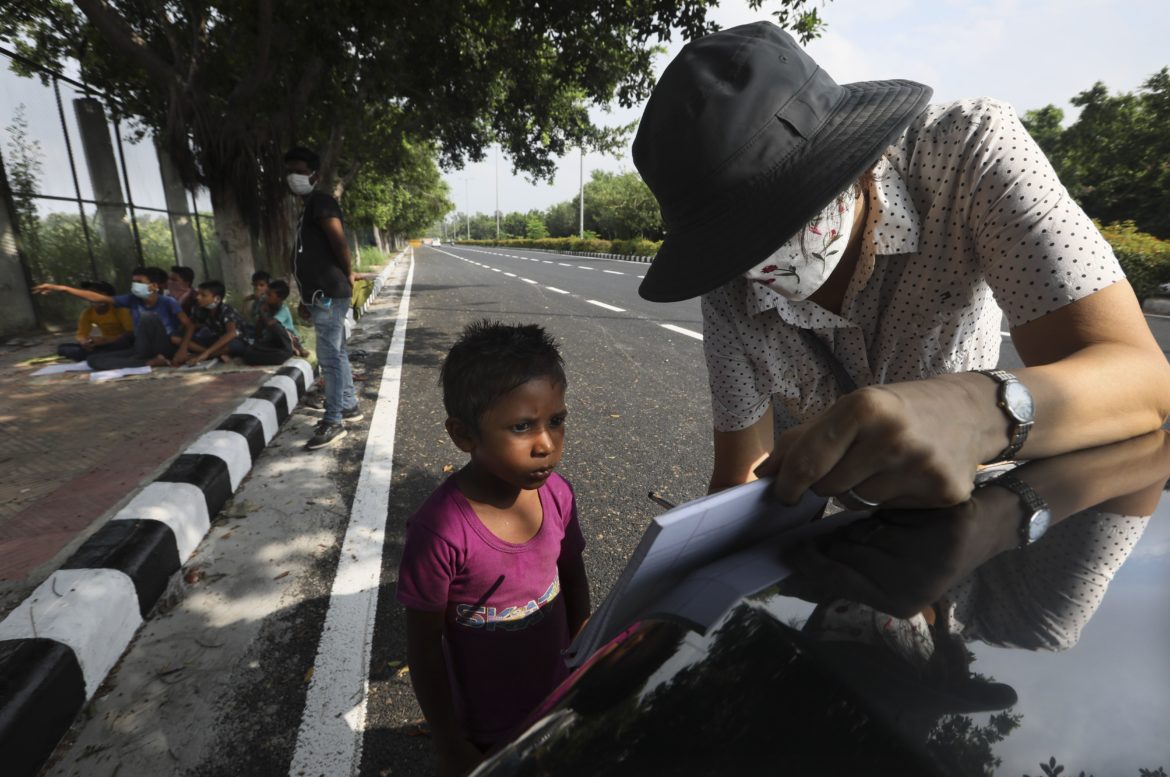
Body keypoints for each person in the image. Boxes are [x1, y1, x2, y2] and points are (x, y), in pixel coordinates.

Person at [631, 22, 1170, 510]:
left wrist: (966, 409)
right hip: (855, 539)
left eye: (778, 211)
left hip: (992, 515)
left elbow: (1142, 383)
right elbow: (741, 478)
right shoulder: (728, 287)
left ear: (845, 150)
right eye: (733, 242)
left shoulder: (970, 154)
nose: (758, 253)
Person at [397, 321, 591, 777]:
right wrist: (450, 744)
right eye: (522, 427)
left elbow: (573, 573)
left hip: (556, 696)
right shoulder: (441, 531)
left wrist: (586, 655)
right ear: (464, 435)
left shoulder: (558, 495)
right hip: (482, 727)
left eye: (556, 421)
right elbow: (424, 648)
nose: (546, 444)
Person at [284, 145, 360, 449]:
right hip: (318, 294)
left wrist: (350, 272)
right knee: (337, 353)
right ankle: (348, 405)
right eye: (290, 172)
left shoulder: (321, 201)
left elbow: (338, 240)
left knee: (329, 358)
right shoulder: (309, 207)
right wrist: (304, 298)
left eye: (300, 172)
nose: (293, 178)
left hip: (328, 292)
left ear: (315, 175)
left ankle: (334, 421)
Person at [33, 266, 193, 369]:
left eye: (139, 282)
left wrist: (183, 349)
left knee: (148, 317)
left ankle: (159, 358)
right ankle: (149, 363)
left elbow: (189, 325)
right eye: (133, 282)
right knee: (94, 360)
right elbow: (98, 298)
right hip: (141, 348)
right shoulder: (131, 299)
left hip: (163, 346)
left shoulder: (168, 302)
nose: (135, 285)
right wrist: (62, 288)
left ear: (153, 286)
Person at [173, 280, 251, 365]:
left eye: (203, 295)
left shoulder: (227, 310)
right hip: (217, 339)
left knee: (234, 345)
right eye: (198, 294)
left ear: (217, 299)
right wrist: (182, 349)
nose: (198, 297)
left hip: (235, 340)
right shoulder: (198, 309)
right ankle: (216, 354)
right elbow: (191, 326)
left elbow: (231, 334)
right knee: (175, 337)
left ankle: (203, 355)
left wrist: (206, 353)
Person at [55, 280, 133, 361]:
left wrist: (106, 340)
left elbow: (130, 333)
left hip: (121, 343)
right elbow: (81, 334)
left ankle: (100, 355)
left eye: (93, 294)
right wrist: (84, 342)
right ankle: (102, 355)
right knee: (63, 348)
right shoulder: (88, 313)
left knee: (126, 342)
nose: (89, 297)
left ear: (105, 295)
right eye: (88, 294)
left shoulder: (120, 309)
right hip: (104, 345)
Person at [242, 279, 302, 365]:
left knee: (275, 326)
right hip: (272, 342)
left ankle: (288, 352)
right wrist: (257, 344)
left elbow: (271, 324)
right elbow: (260, 326)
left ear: (280, 298)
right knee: (248, 353)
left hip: (286, 342)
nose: (266, 296)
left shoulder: (283, 310)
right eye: (266, 293)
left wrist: (263, 312)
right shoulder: (267, 306)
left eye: (269, 295)